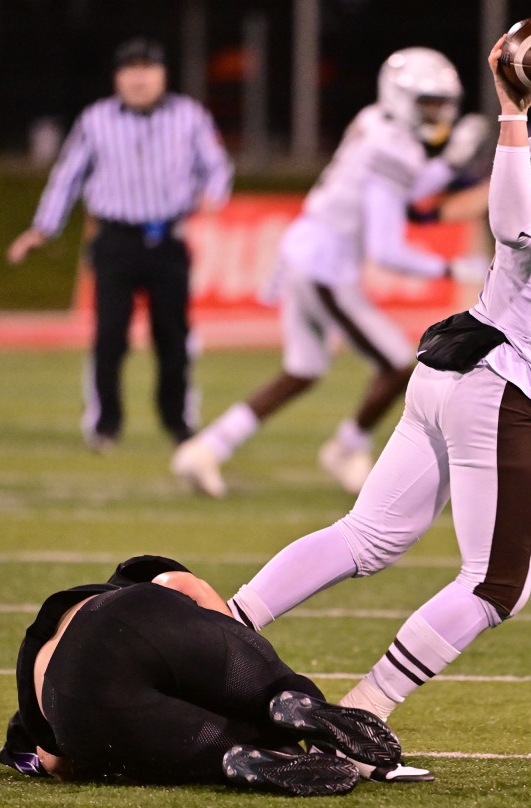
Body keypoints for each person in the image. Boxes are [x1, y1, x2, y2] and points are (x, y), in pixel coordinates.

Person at [219, 14, 531, 778]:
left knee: (367, 538)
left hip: (461, 370)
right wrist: (514, 114)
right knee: (497, 583)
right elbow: (521, 228)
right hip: (506, 387)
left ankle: (224, 625)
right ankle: (365, 712)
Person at [171, 48, 486, 498]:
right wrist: (452, 267)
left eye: (441, 103)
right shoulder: (391, 144)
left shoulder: (375, 122)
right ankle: (347, 447)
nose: (437, 114)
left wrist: (447, 166)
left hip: (306, 251)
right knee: (400, 364)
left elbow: (403, 186)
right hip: (325, 268)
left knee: (303, 369)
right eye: (428, 103)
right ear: (402, 98)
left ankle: (205, 449)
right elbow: (387, 250)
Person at [0, 554, 429, 795]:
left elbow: (55, 761)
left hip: (72, 702)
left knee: (218, 748)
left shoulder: (29, 706)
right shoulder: (128, 583)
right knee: (266, 692)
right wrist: (250, 670)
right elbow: (187, 587)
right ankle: (288, 698)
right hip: (127, 617)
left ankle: (237, 756)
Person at [8, 37, 233, 453]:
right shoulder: (96, 120)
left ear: (163, 74)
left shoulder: (189, 117)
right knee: (110, 336)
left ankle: (179, 422)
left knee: (174, 338)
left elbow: (216, 166)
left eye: (147, 68)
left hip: (168, 238)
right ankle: (104, 424)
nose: (139, 77)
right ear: (117, 77)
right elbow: (68, 176)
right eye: (130, 69)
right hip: (115, 239)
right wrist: (43, 228)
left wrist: (213, 193)